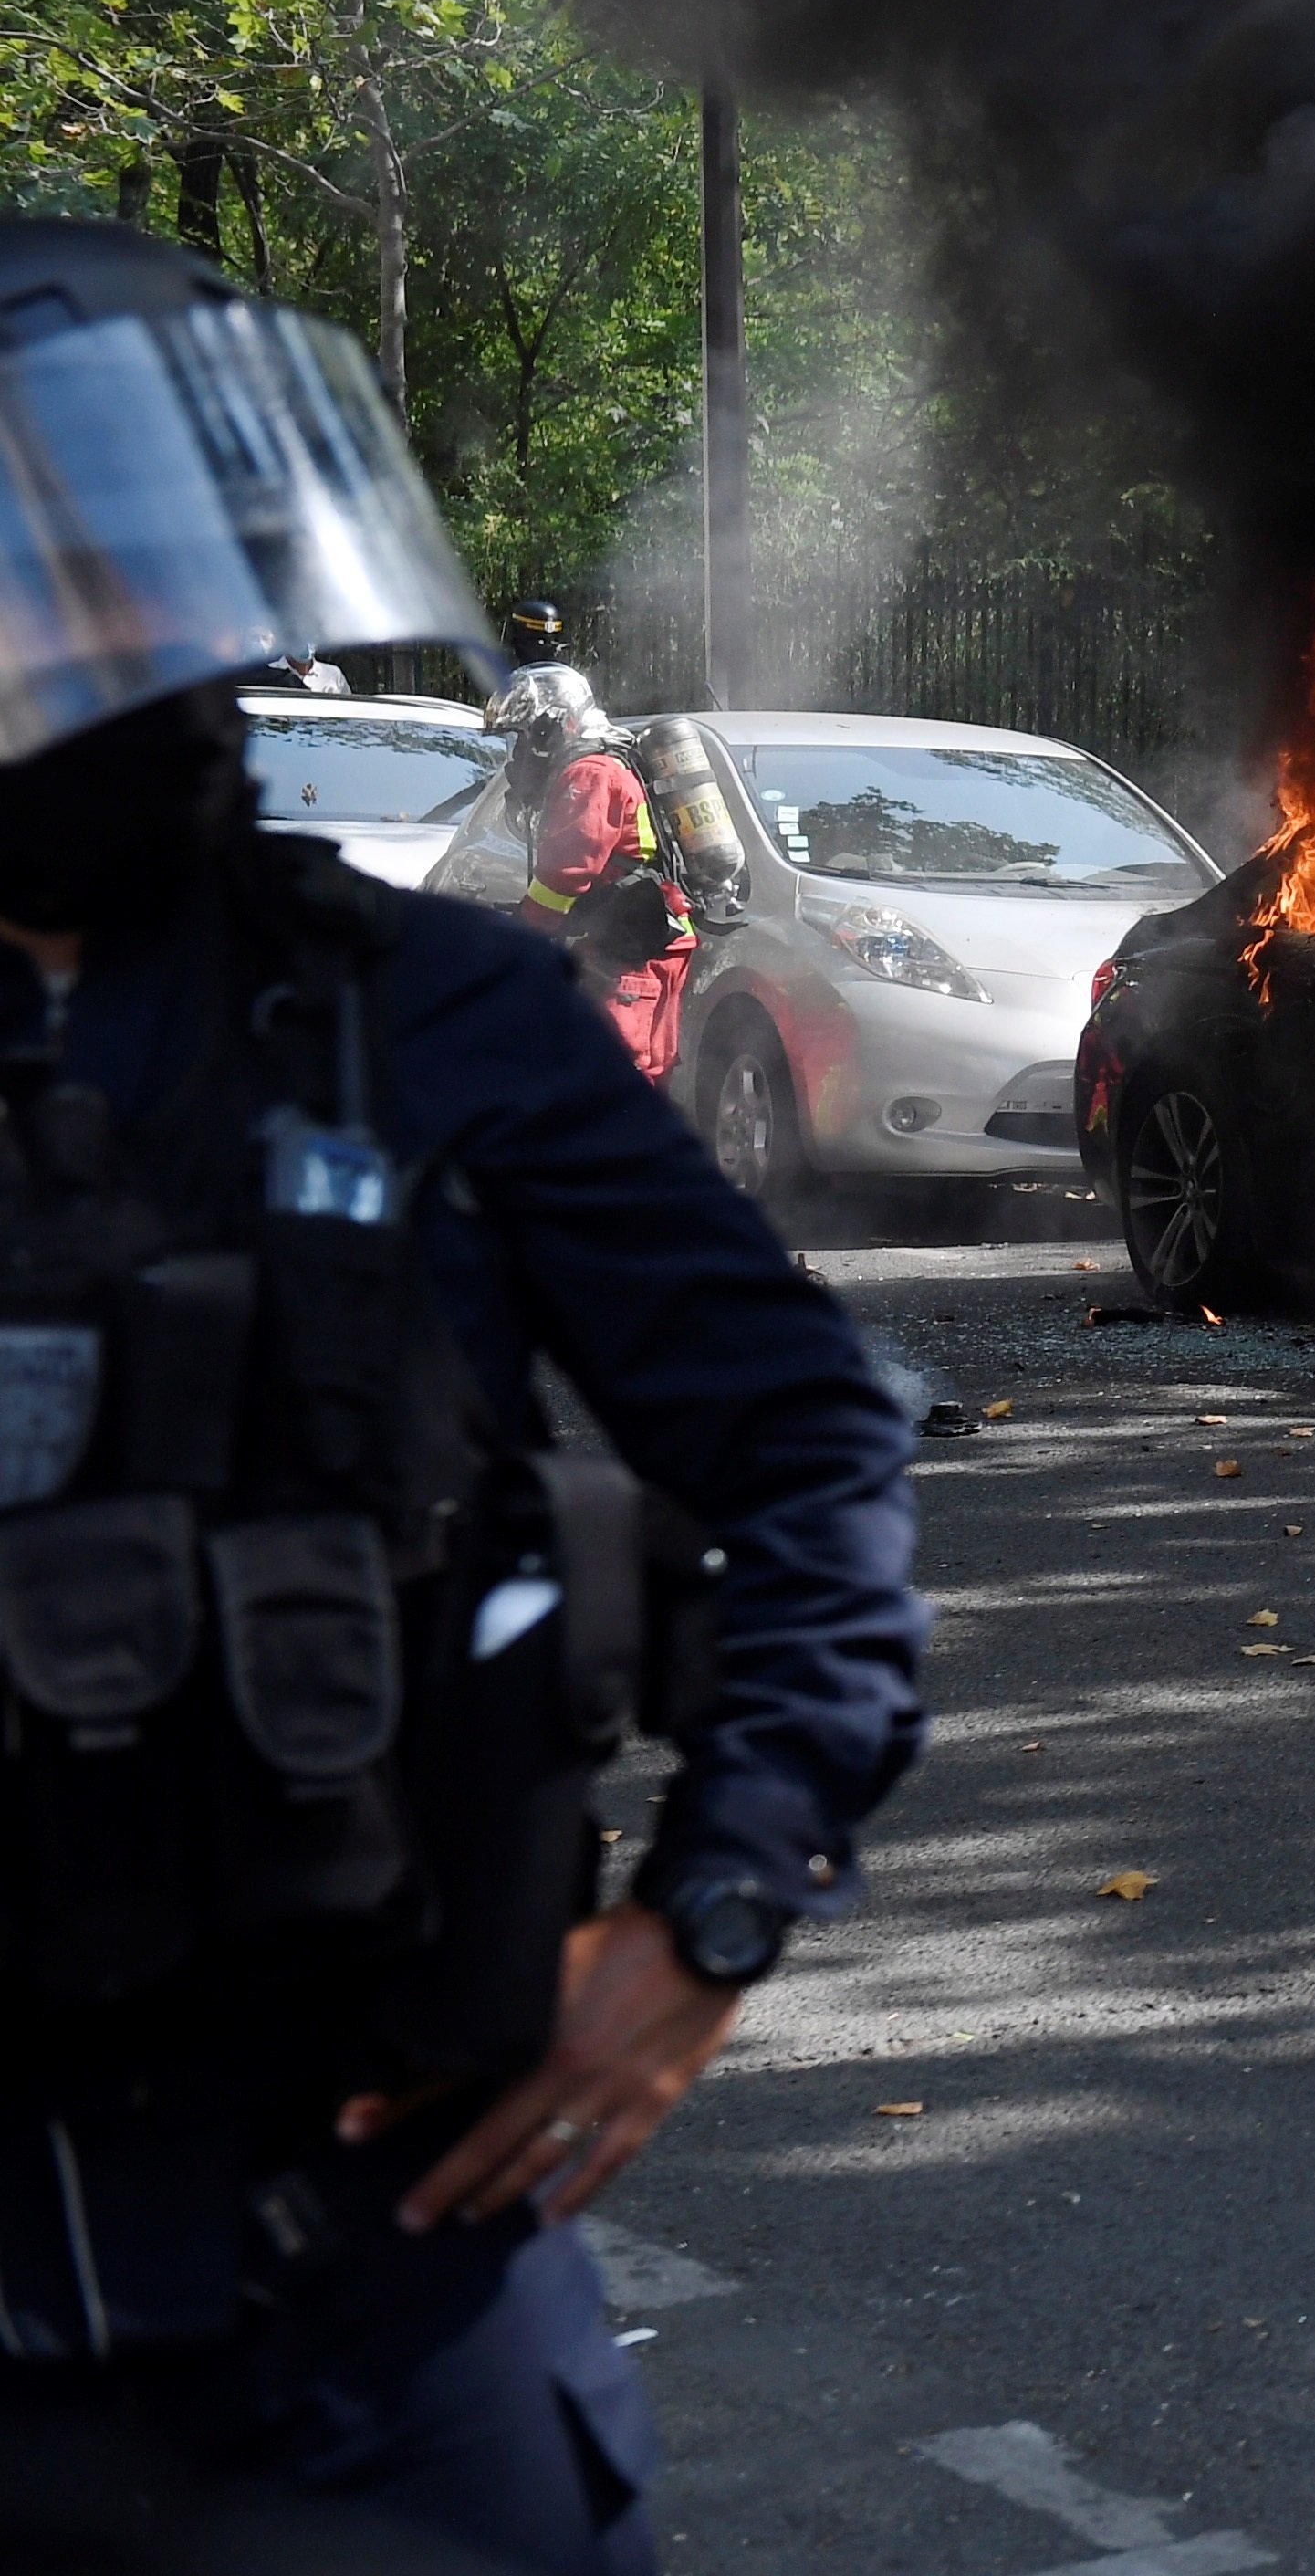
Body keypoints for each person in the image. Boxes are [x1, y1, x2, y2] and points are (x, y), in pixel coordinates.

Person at [0, 220, 924, 2573]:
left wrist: (718, 1907)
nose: (101, 672)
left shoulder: (430, 1020)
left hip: (378, 2277)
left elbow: (805, 1439)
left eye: (136, 607)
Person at [475, 673, 690, 1084]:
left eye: (524, 736)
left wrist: (527, 926)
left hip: (632, 945)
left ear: (551, 725)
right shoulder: (608, 758)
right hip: (643, 935)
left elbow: (568, 871)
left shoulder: (590, 772)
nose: (520, 752)